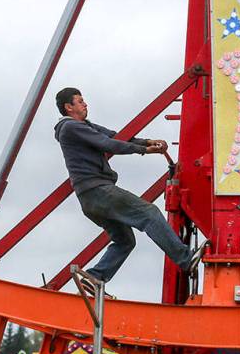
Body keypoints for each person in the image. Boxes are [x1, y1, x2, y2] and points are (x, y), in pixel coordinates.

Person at [54, 87, 204, 286]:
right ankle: (186, 259)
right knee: (149, 213)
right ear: (68, 107)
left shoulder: (84, 126)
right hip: (98, 191)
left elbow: (116, 136)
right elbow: (109, 144)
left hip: (89, 198)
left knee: (125, 241)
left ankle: (95, 277)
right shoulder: (71, 127)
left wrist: (148, 141)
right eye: (80, 101)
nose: (85, 104)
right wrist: (144, 150)